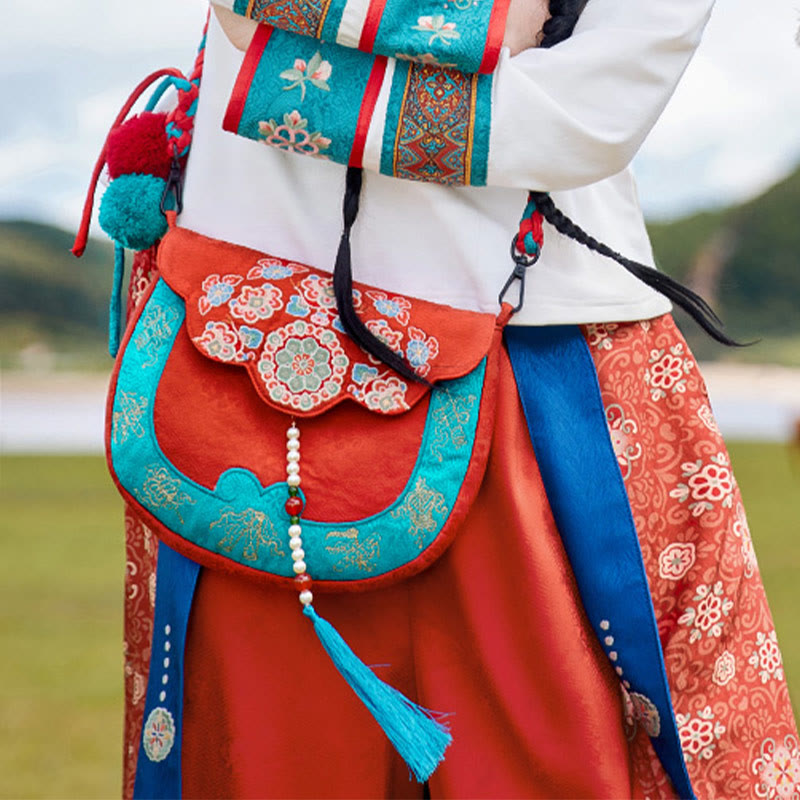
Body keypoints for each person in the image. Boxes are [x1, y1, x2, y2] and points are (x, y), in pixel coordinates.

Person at [105, 0, 799, 796]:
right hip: (250, 320)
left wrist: (269, 73)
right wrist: (484, 31)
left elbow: (587, 111)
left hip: (540, 363)